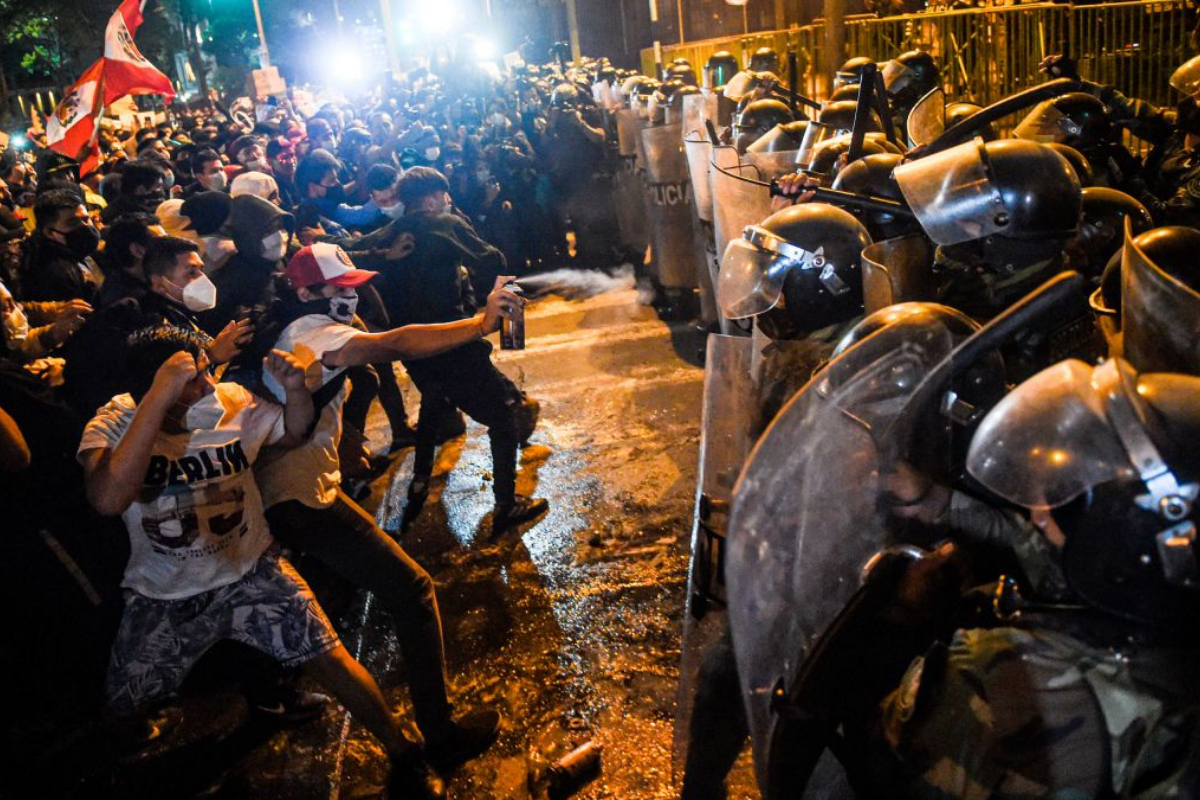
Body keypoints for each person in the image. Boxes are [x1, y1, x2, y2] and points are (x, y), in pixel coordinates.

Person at [77, 326, 446, 798]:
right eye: (192, 379)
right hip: (165, 596)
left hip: (252, 573)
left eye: (207, 371)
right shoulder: (112, 422)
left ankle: (406, 757)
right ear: (151, 386)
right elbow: (108, 498)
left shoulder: (231, 402)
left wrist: (294, 390)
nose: (209, 387)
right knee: (123, 702)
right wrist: (159, 397)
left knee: (329, 655)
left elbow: (293, 432)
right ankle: (119, 761)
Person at [247, 243, 524, 771]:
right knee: (411, 589)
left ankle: (277, 686)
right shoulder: (313, 331)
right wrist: (479, 324)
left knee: (318, 612)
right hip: (299, 498)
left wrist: (345, 437)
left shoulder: (296, 327)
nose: (350, 297)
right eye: (338, 289)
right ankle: (436, 738)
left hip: (299, 490)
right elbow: (395, 344)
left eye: (353, 285)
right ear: (305, 293)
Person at [349, 167, 545, 533]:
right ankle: (505, 505)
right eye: (443, 195)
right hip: (454, 341)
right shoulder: (444, 223)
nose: (447, 200)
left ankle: (421, 478)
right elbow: (495, 261)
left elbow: (346, 249)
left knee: (434, 400)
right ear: (430, 198)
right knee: (502, 419)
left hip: (415, 347)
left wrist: (381, 254)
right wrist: (462, 224)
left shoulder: (392, 232)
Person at [20, 188, 102, 304]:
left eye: (86, 219)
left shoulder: (77, 252)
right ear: (49, 232)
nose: (84, 227)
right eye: (72, 222)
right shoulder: (55, 275)